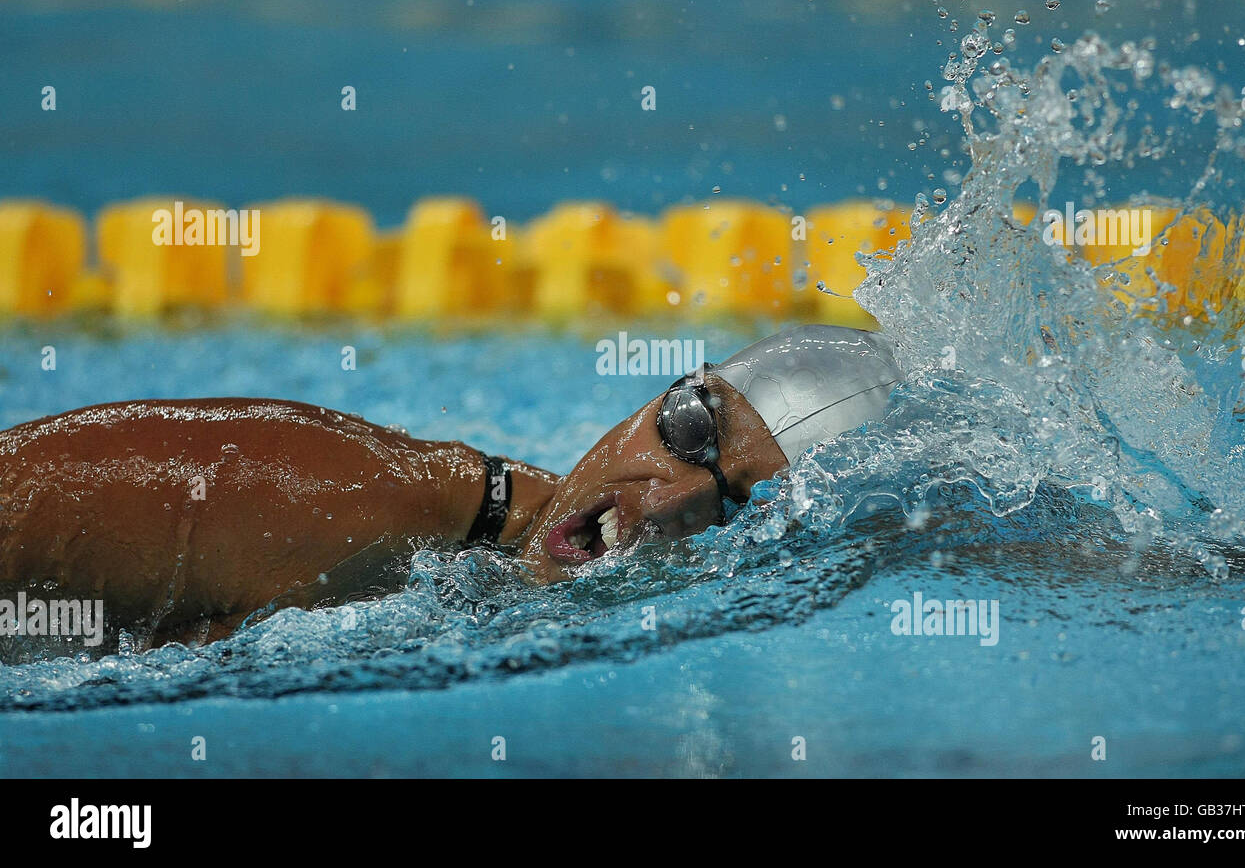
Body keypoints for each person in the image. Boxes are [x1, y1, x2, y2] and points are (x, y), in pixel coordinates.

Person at [0, 325, 901, 646]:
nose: (668, 497)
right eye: (689, 430)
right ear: (654, 397)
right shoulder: (348, 497)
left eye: (740, 508)